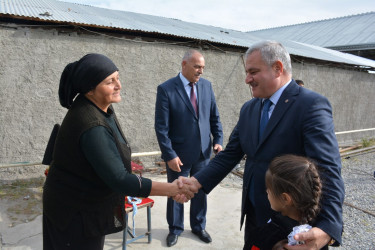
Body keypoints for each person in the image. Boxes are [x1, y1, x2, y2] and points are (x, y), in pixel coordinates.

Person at [177, 41, 345, 249]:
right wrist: (197, 182)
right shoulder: (249, 108)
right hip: (255, 216)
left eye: (253, 72)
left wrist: (327, 228)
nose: (247, 79)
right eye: (247, 72)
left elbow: (327, 169)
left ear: (277, 68)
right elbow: (230, 154)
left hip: (292, 226)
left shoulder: (310, 105)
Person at [43, 53, 193, 250]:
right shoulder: (90, 124)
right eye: (110, 81)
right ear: (90, 89)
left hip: (85, 208)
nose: (118, 85)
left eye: (118, 77)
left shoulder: (99, 108)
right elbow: (120, 180)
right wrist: (172, 189)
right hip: (74, 216)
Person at [155, 49, 224, 247]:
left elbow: (214, 117)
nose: (200, 71)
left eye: (202, 67)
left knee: (200, 191)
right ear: (184, 64)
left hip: (203, 153)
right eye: (197, 66)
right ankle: (175, 229)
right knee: (176, 192)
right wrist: (169, 155)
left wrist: (218, 139)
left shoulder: (206, 86)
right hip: (179, 156)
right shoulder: (167, 89)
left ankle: (198, 226)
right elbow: (161, 127)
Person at [245, 154, 325, 250]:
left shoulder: (262, 236)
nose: (266, 191)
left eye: (269, 189)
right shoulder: (320, 234)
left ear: (285, 198)